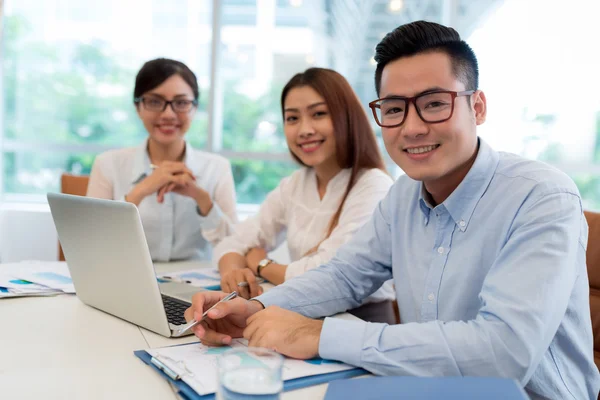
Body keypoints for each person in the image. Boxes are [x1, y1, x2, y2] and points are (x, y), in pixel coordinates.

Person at [185, 21, 600, 399]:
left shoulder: (542, 196)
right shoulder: (404, 195)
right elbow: (344, 276)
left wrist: (322, 335)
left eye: (435, 103)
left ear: (478, 107)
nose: (412, 127)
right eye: (395, 109)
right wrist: (255, 308)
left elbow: (504, 353)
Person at [213, 67, 396, 322]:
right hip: (300, 314)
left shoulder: (374, 186)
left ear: (347, 117)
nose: (304, 130)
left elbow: (327, 275)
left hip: (358, 321)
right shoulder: (296, 183)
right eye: (292, 118)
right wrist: (233, 270)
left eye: (318, 114)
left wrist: (260, 264)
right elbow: (236, 240)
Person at [87, 58, 237, 261]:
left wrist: (202, 199)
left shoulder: (217, 168)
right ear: (138, 107)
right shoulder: (108, 164)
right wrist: (142, 190)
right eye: (155, 102)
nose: (168, 114)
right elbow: (91, 242)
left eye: (181, 103)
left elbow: (234, 245)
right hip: (128, 283)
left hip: (198, 288)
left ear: (194, 108)